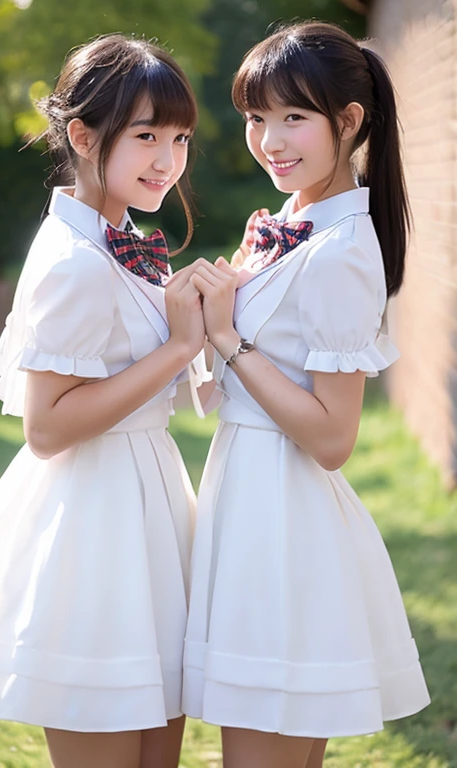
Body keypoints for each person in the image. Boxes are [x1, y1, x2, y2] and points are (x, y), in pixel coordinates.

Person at [0, 33, 210, 768]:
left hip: (149, 500)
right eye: (147, 135)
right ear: (85, 136)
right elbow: (46, 426)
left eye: (180, 138)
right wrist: (177, 350)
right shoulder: (72, 261)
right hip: (94, 521)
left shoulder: (117, 238)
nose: (168, 160)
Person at [183, 21, 430, 768]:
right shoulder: (291, 222)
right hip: (246, 494)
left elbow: (331, 439)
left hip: (282, 520)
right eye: (258, 118)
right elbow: (243, 381)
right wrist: (208, 324)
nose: (269, 140)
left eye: (293, 117)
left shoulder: (343, 252)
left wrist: (230, 339)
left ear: (348, 122)